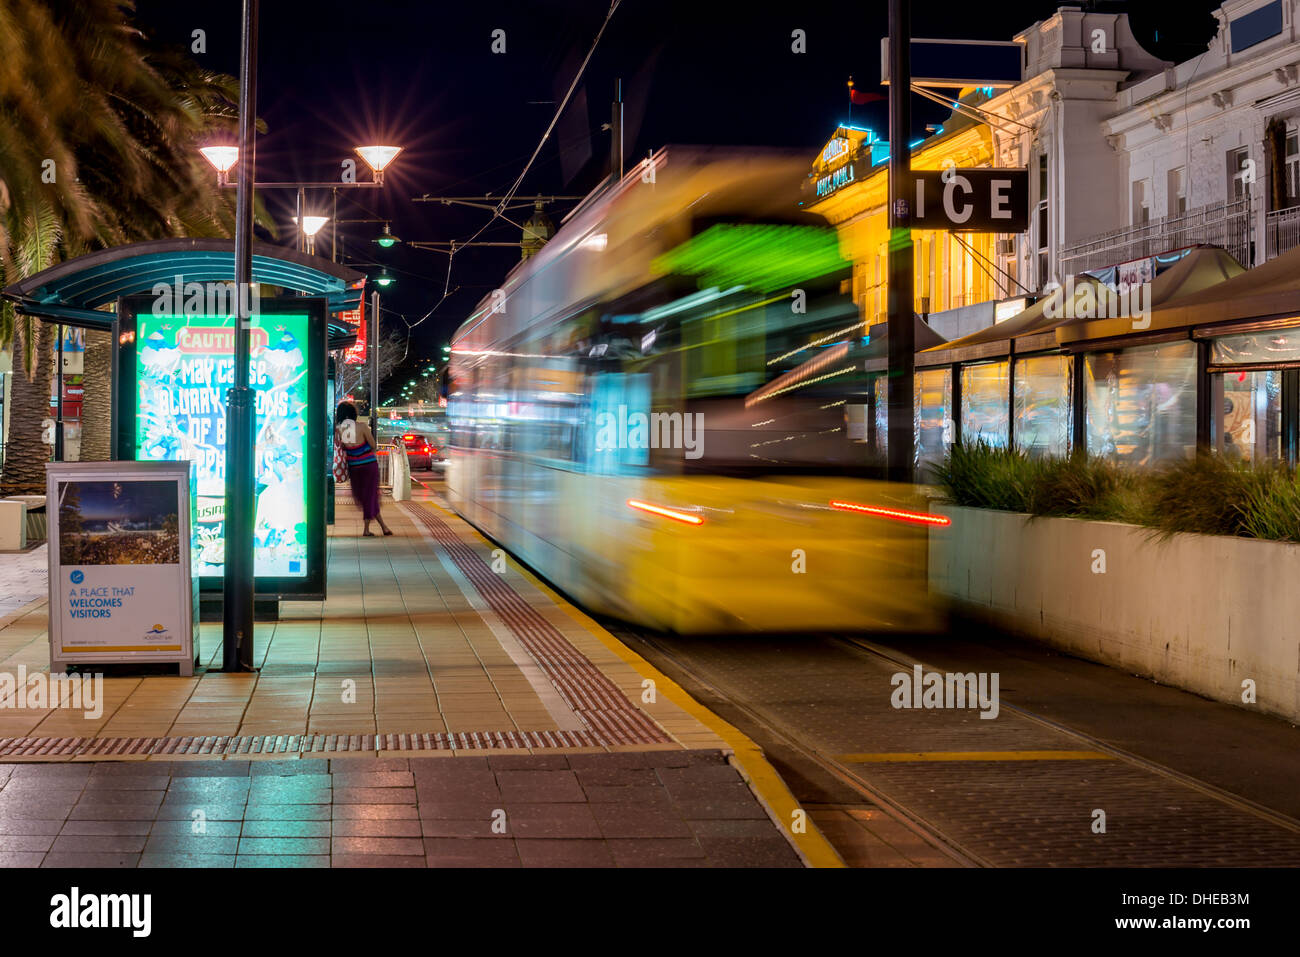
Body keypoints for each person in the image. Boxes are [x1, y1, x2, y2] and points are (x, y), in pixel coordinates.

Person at [335, 402, 392, 536]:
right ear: (353, 414)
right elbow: (373, 445)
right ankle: (369, 529)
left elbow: (340, 448)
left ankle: (383, 527)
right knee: (370, 496)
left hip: (354, 468)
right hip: (368, 466)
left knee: (366, 497)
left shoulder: (338, 429)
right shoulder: (361, 426)